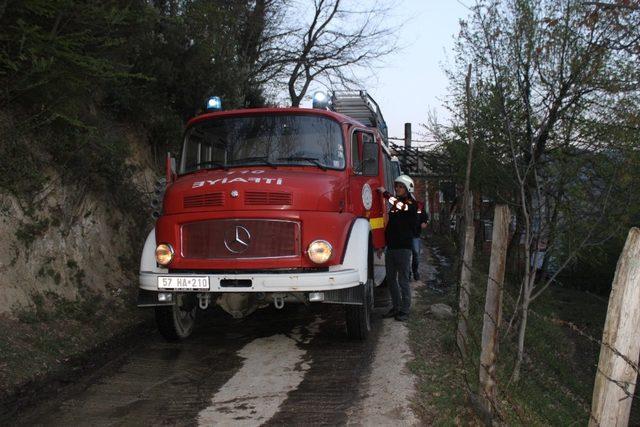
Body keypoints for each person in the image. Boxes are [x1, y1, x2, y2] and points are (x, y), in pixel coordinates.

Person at [378, 175, 418, 322]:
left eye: (401, 186)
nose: (397, 189)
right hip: (392, 248)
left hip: (403, 249)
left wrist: (385, 193)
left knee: (403, 280)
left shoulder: (411, 204)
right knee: (390, 280)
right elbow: (390, 227)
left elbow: (403, 207)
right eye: (396, 186)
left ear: (408, 188)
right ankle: (396, 307)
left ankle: (405, 310)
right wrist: (383, 244)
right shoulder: (396, 206)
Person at [411, 200, 429, 281]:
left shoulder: (419, 205)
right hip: (405, 235)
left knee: (416, 254)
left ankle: (415, 271)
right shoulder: (402, 205)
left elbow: (425, 217)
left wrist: (424, 222)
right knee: (406, 256)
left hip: (415, 235)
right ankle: (407, 273)